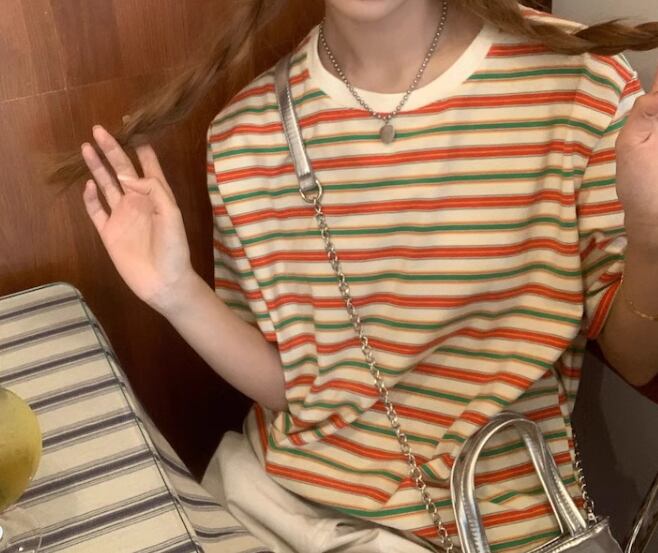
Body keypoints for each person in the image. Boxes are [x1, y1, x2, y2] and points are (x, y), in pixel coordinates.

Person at [53, 1, 658, 551]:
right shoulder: (243, 135)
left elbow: (637, 359)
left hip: (489, 523)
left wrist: (651, 235)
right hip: (276, 513)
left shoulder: (580, 83)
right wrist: (176, 292)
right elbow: (297, 388)